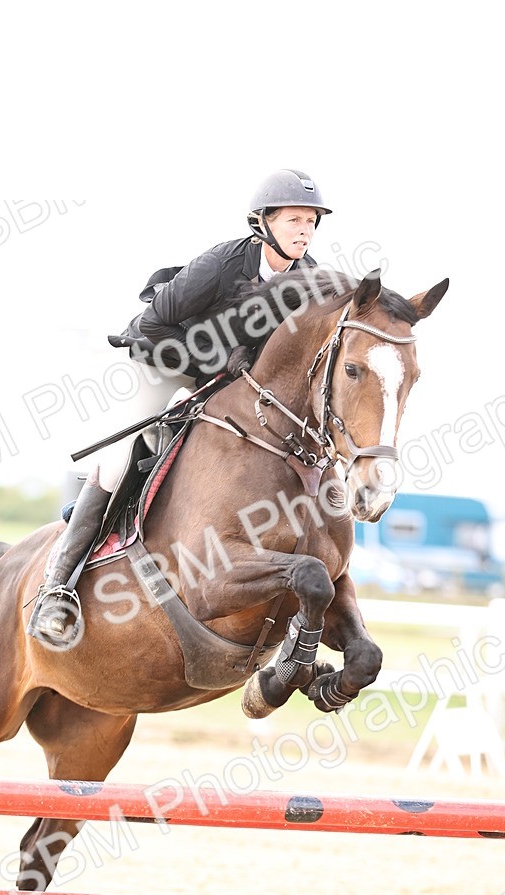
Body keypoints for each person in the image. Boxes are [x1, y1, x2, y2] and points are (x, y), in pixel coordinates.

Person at [27, 169, 332, 648]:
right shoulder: (222, 264)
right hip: (164, 358)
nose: (304, 231)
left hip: (231, 378)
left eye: (312, 222)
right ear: (264, 222)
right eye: (295, 219)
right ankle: (57, 587)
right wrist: (214, 361)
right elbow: (153, 325)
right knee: (124, 451)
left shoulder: (309, 280)